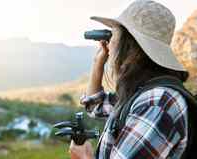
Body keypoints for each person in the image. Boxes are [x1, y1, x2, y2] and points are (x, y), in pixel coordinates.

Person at [69, 0, 190, 158]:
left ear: (129, 45)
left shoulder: (157, 103)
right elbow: (96, 106)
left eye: (114, 35)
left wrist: (84, 157)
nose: (110, 43)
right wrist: (98, 63)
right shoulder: (140, 93)